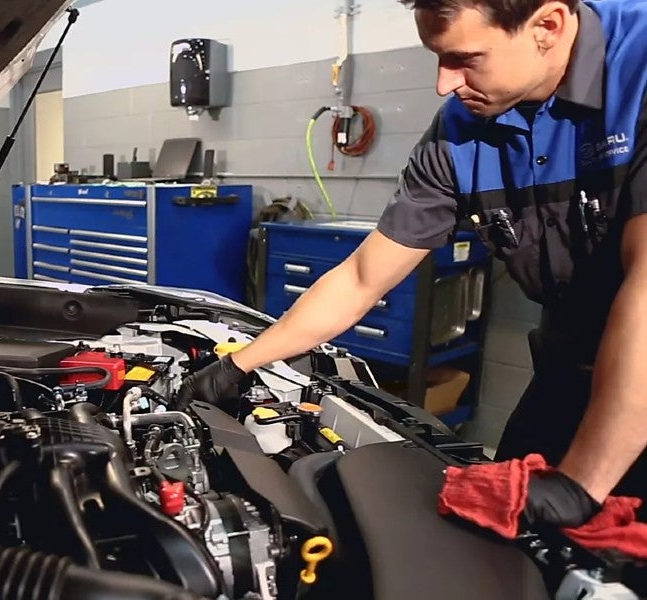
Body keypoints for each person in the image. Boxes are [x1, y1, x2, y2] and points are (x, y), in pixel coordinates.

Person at [178, 0, 647, 529]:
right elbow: (361, 278)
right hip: (568, 366)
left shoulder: (639, 70)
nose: (444, 84)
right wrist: (240, 364)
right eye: (437, 58)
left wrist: (580, 483)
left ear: (548, 26)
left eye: (466, 58)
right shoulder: (461, 128)